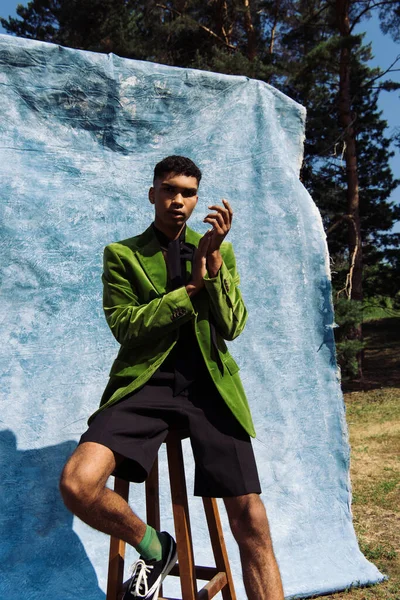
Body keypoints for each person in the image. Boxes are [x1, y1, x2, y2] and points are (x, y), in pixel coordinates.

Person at [59, 155, 285, 600]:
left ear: (197, 198)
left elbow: (233, 327)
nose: (177, 200)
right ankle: (156, 546)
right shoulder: (122, 255)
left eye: (187, 192)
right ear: (153, 194)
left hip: (210, 387)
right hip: (144, 385)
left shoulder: (217, 249)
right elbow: (126, 325)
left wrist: (215, 263)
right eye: (168, 190)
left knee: (252, 519)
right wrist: (190, 292)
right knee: (77, 483)